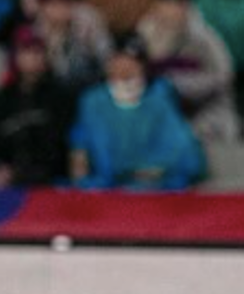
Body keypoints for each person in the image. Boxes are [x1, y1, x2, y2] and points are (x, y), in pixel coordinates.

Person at [70, 37, 205, 190]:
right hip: (106, 188)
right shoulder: (93, 101)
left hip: (156, 186)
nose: (124, 66)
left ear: (142, 66)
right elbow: (80, 145)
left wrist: (156, 169)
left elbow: (180, 145)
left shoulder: (159, 98)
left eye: (131, 62)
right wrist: (80, 184)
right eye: (118, 61)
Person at [137, 0, 239, 143]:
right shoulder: (144, 34)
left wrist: (179, 84)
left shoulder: (204, 38)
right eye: (161, 6)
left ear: (185, 6)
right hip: (158, 110)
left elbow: (224, 76)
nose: (164, 13)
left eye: (175, 6)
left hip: (207, 111)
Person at [0, 26, 76, 188]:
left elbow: (60, 146)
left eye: (37, 52)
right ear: (15, 57)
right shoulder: (1, 98)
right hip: (6, 177)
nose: (32, 58)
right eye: (26, 51)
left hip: (48, 178)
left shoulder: (60, 96)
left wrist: (21, 172)